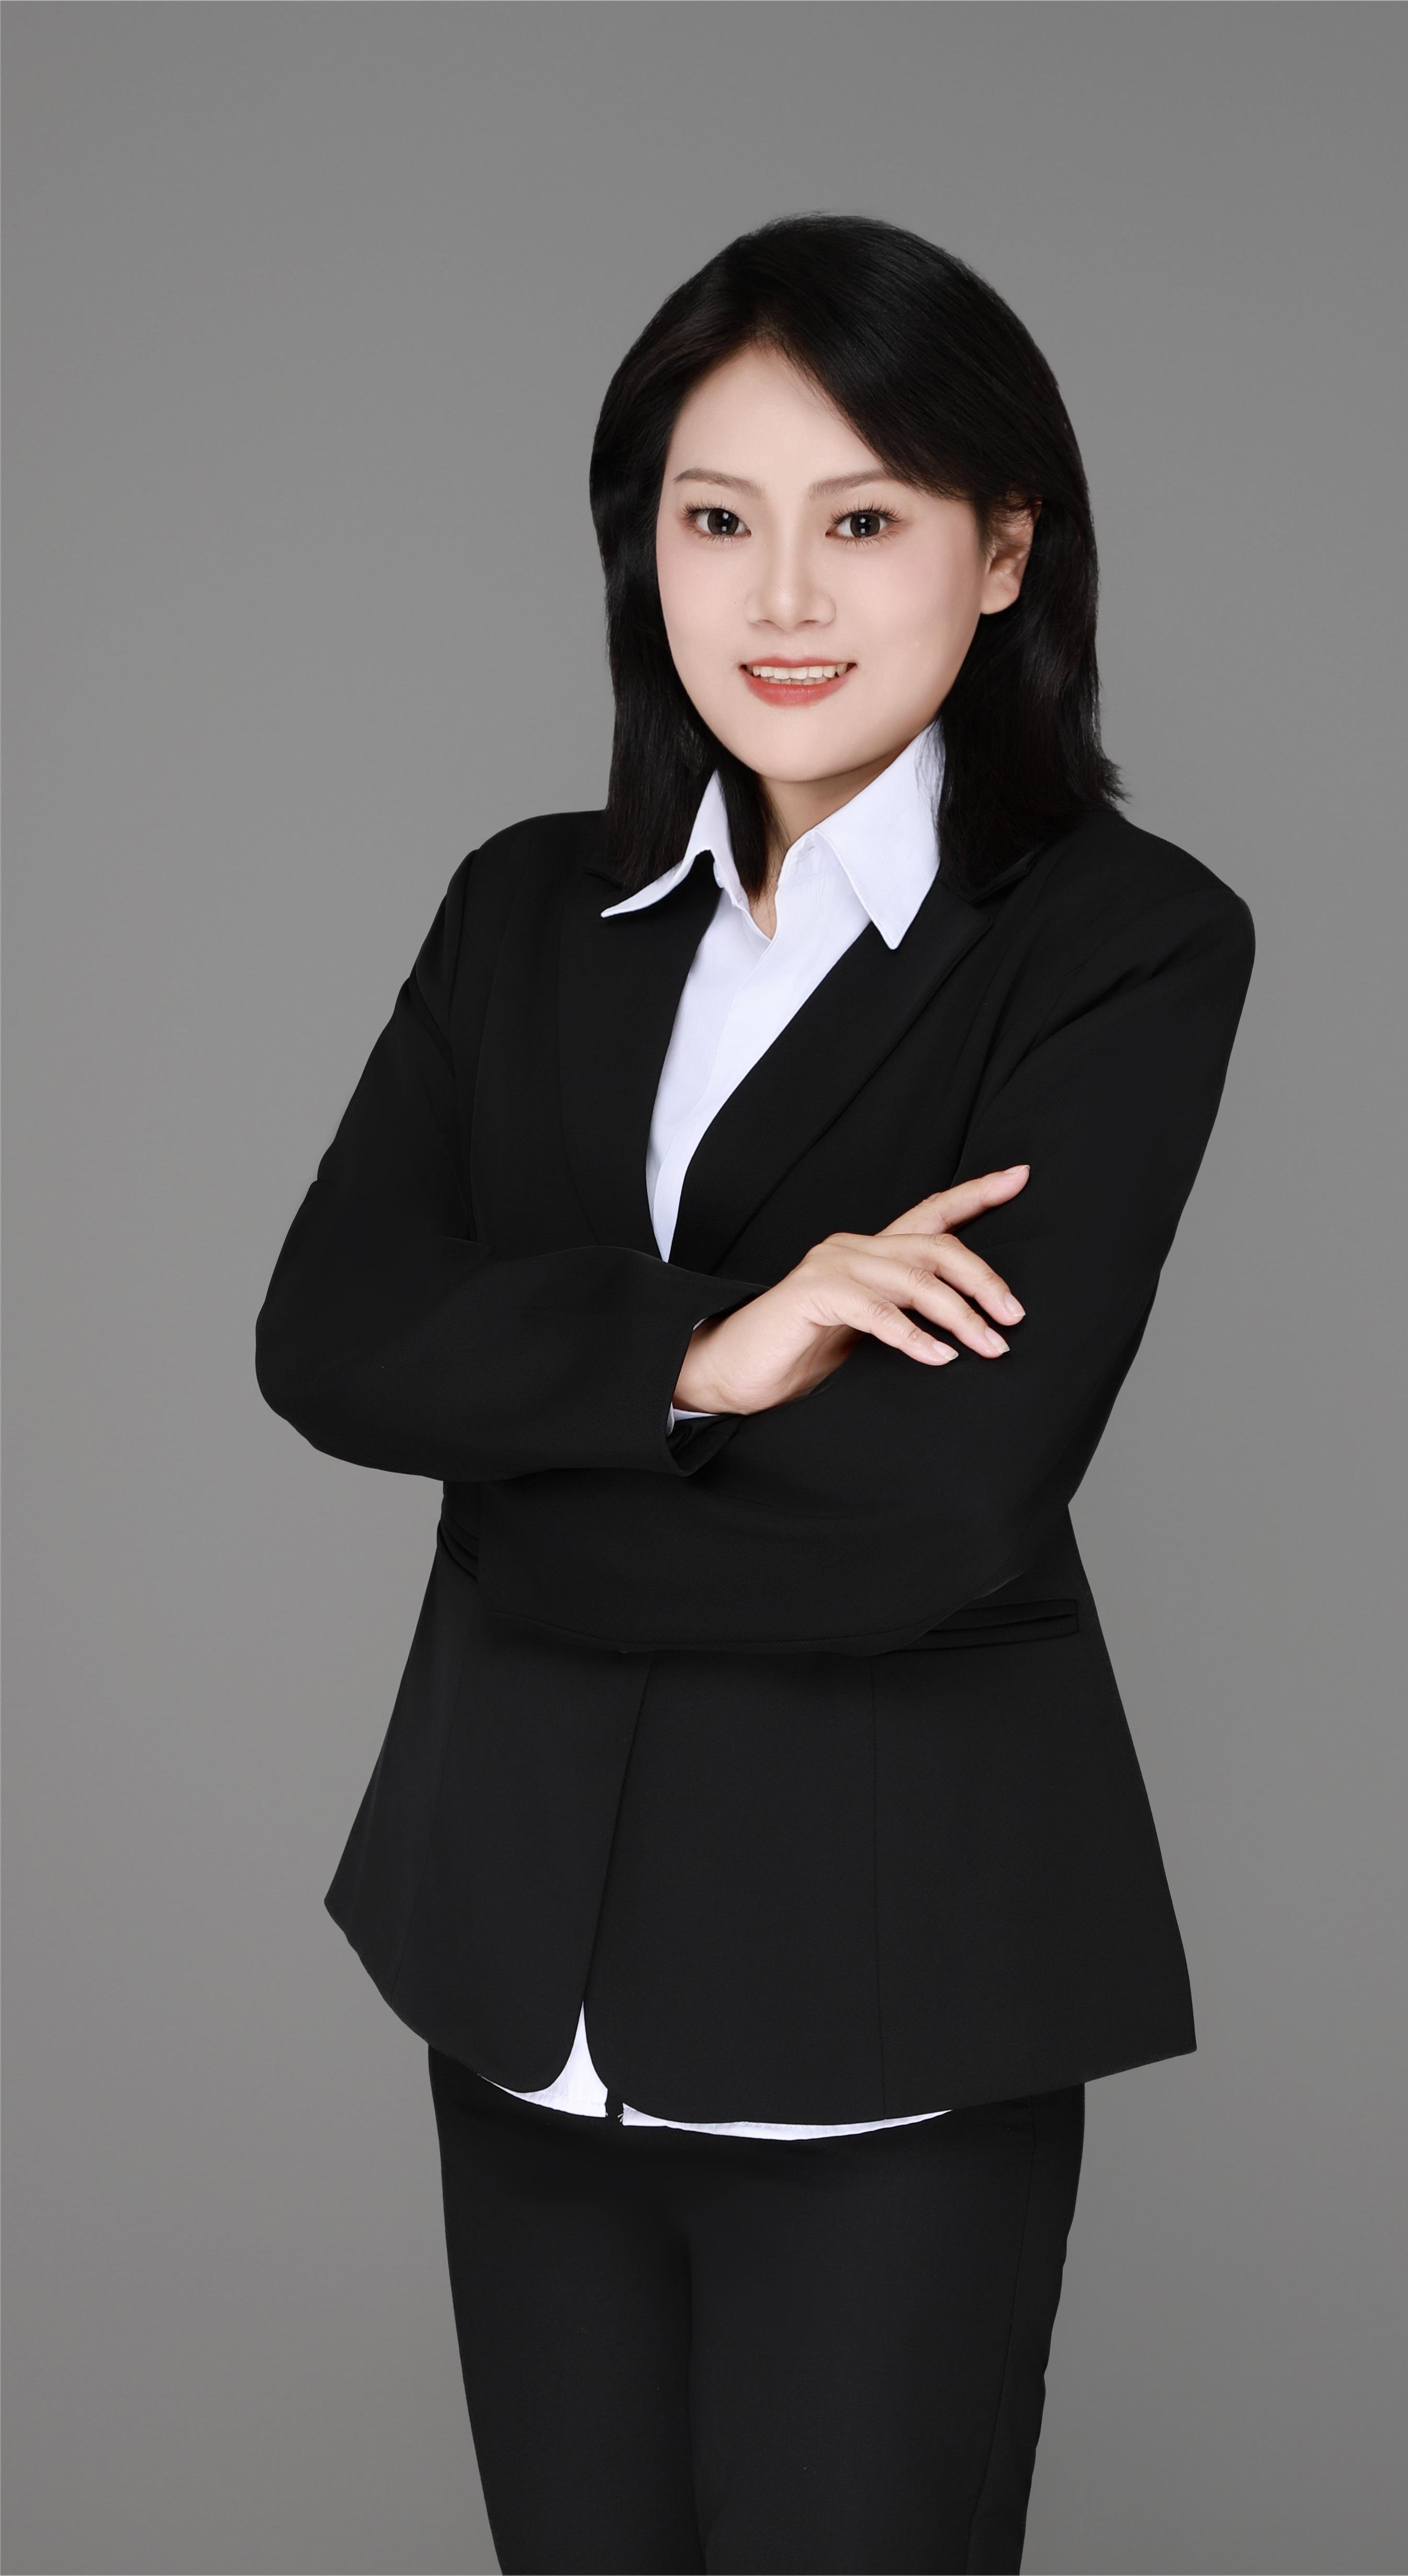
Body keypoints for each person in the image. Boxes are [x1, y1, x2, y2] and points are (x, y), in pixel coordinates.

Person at [256, 211, 1256, 2576]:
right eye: (718, 519)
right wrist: (703, 1357)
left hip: (882, 2009)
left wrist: (522, 1473)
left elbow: (940, 1504)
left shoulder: (1120, 944)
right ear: (646, 552)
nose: (781, 597)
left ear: (1002, 549)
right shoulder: (525, 906)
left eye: (865, 519)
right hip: (515, 1980)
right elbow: (326, 1330)